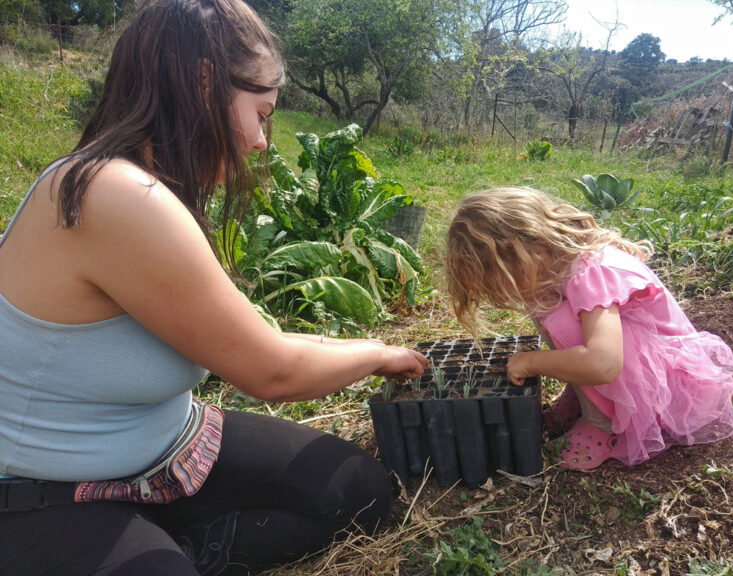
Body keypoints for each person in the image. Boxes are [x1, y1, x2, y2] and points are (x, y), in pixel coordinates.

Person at [0, 0, 426, 574]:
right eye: (262, 112)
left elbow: (253, 335)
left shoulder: (151, 188)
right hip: (41, 489)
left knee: (358, 491)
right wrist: (378, 353)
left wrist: (383, 355)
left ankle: (179, 550)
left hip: (168, 449)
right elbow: (270, 371)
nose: (262, 141)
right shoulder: (114, 195)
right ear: (204, 84)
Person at [445, 187, 733, 471]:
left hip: (662, 381)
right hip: (627, 362)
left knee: (563, 322)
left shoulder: (591, 272)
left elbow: (603, 363)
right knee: (546, 305)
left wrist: (531, 361)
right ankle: (585, 397)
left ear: (519, 250)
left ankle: (603, 423)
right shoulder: (559, 262)